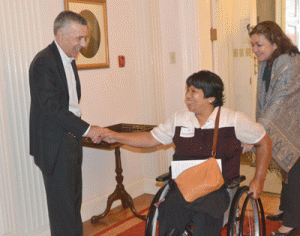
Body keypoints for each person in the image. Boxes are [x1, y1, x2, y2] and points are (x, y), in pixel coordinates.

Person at [100, 70, 272, 236]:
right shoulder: (179, 118)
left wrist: (259, 180)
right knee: (169, 212)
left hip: (218, 187)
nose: (187, 96)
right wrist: (117, 137)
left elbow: (264, 142)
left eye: (193, 91)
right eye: (187, 90)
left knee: (205, 218)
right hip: (183, 185)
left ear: (211, 98)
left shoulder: (233, 120)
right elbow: (151, 139)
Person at [29, 11, 103, 235]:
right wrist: (89, 130)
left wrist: (81, 132)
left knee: (72, 205)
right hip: (55, 145)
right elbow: (53, 108)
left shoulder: (68, 61)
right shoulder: (43, 63)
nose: (83, 44)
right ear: (60, 35)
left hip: (70, 140)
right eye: (78, 38)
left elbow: (70, 103)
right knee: (62, 211)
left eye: (85, 38)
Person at [249, 21, 300, 236]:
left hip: (296, 125)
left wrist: (257, 131)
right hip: (282, 121)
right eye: (252, 45)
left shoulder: (290, 62)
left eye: (259, 44)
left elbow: (279, 100)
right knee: (286, 170)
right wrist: (257, 126)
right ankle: (284, 208)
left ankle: (292, 222)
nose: (255, 50)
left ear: (275, 42)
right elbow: (264, 99)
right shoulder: (268, 61)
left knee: (296, 172)